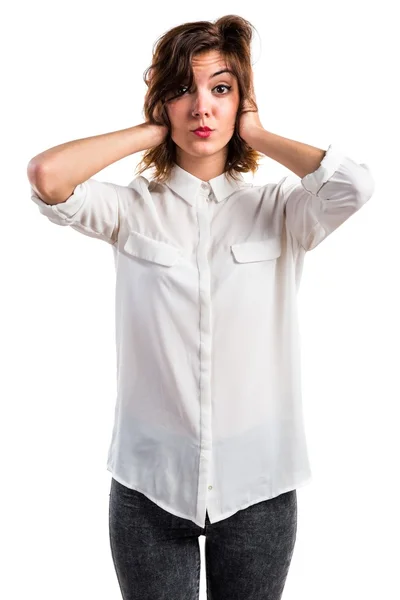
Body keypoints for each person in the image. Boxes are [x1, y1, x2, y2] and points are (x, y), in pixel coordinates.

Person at [27, 14, 375, 600]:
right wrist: (151, 131)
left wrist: (257, 133)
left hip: (258, 485)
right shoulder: (131, 209)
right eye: (183, 89)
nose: (202, 108)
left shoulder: (283, 209)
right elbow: (48, 176)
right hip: (149, 488)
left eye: (220, 88)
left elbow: (355, 187)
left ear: (243, 100)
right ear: (163, 100)